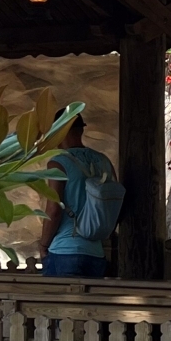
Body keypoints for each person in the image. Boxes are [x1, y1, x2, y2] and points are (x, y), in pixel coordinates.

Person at [37, 116, 118, 279]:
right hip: (96, 253)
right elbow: (115, 205)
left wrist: (43, 244)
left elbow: (54, 210)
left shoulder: (58, 164)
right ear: (81, 130)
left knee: (58, 297)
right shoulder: (104, 162)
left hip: (64, 250)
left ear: (59, 132)